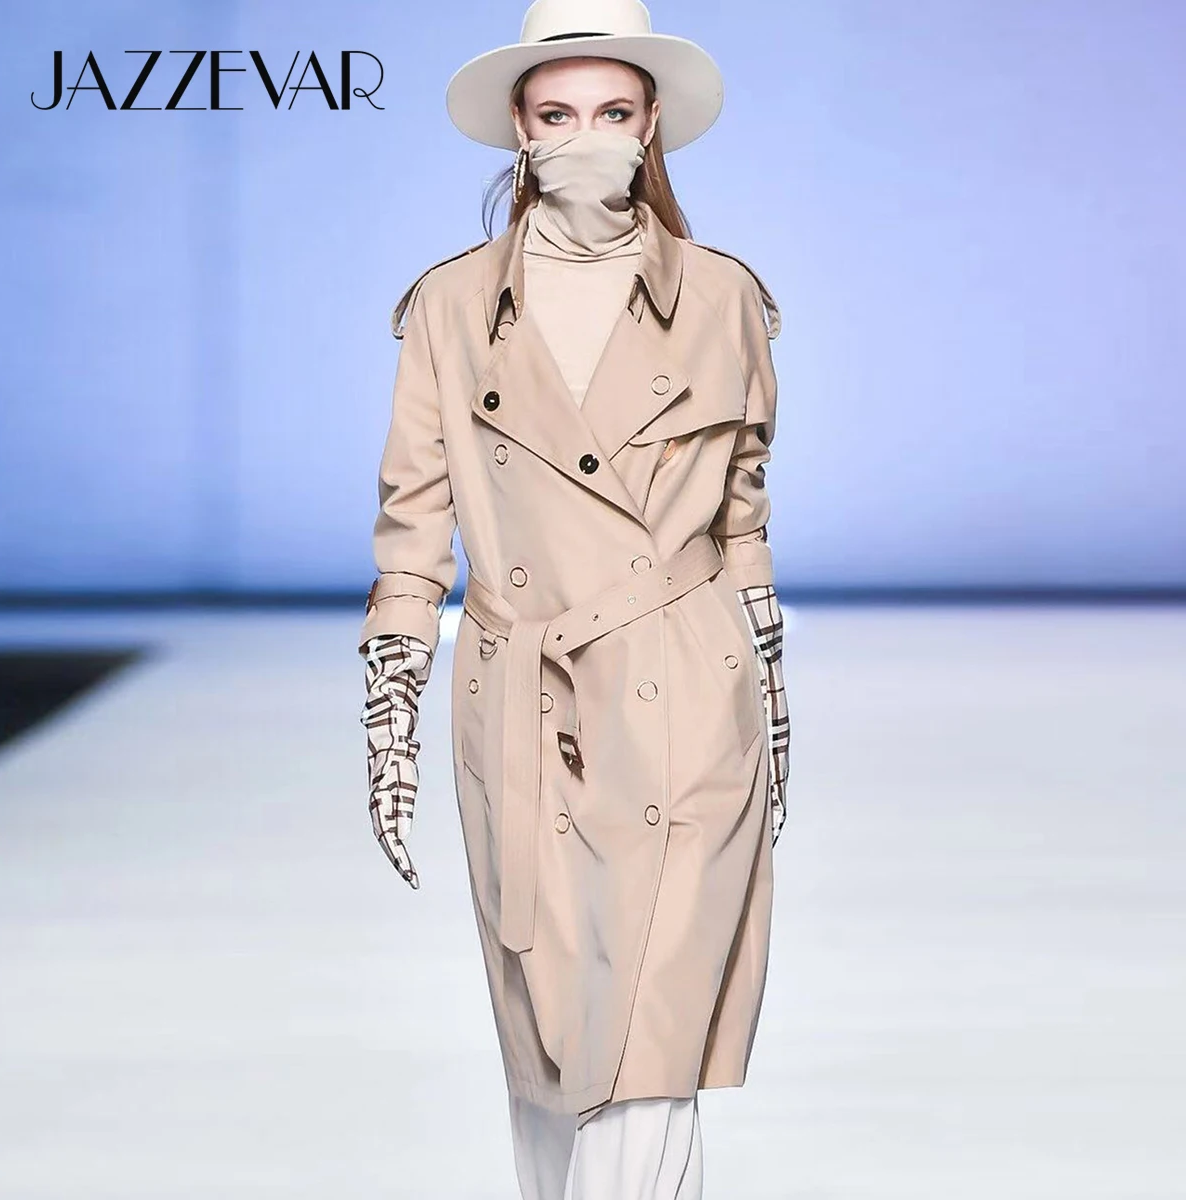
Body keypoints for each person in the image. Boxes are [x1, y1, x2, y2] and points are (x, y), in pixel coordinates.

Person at [358, 2, 791, 1196]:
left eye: (611, 112)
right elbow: (413, 523)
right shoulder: (451, 306)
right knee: (551, 1050)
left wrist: (772, 685)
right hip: (523, 698)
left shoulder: (725, 296)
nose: (586, 136)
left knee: (647, 1044)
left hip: (685, 686)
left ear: (652, 125)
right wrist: (390, 707)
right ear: (519, 128)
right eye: (558, 114)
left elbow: (743, 516)